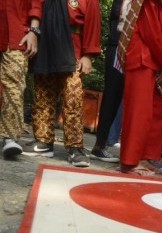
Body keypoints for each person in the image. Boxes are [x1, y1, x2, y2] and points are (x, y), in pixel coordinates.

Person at [22, 0, 101, 168]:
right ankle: (43, 141)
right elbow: (36, 7)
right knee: (43, 95)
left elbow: (93, 21)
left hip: (73, 48)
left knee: (73, 98)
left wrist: (88, 55)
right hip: (46, 45)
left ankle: (75, 147)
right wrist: (34, 32)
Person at [116, 0, 162, 175]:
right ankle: (129, 161)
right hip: (143, 57)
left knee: (155, 110)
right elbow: (152, 32)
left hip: (153, 60)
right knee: (139, 112)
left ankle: (142, 156)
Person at [0, 0, 41, 158]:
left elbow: (36, 4)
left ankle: (10, 137)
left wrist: (34, 31)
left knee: (15, 84)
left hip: (17, 33)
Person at [88, 0, 124, 163]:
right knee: (111, 97)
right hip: (117, 47)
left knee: (118, 100)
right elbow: (118, 14)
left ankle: (104, 144)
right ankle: (99, 145)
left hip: (130, 50)